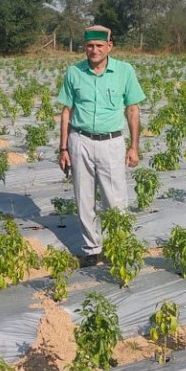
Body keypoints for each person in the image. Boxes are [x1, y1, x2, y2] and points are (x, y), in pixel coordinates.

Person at [57, 25, 146, 267]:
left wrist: (134, 146)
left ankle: (119, 244)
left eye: (99, 46)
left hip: (111, 141)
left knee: (115, 198)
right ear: (84, 47)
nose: (94, 50)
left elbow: (133, 110)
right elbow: (66, 111)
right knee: (84, 197)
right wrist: (63, 148)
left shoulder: (124, 72)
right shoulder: (74, 73)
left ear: (109, 46)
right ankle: (91, 249)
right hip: (80, 140)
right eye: (89, 46)